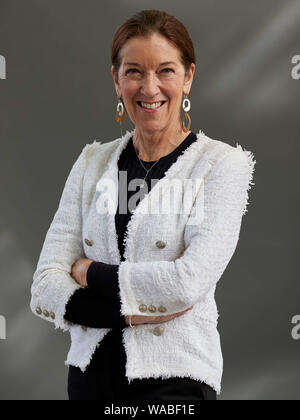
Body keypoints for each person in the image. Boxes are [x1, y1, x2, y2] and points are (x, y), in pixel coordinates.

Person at [30, 9, 256, 401]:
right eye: (134, 71)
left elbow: (187, 282)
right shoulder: (91, 163)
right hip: (90, 380)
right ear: (117, 81)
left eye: (165, 71)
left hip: (177, 381)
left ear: (188, 77)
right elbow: (46, 284)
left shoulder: (222, 165)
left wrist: (90, 272)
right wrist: (129, 314)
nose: (149, 88)